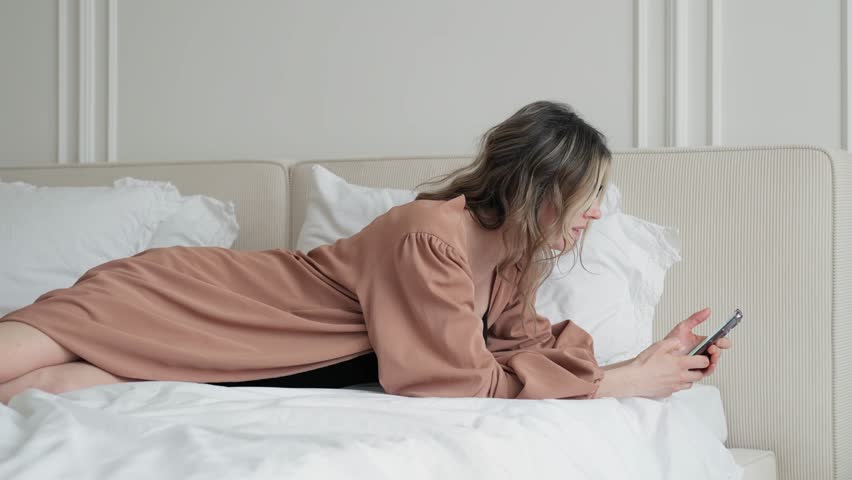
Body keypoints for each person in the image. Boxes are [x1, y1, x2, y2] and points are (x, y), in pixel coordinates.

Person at [0, 100, 730, 405]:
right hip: (195, 297)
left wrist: (641, 364)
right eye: (585, 198)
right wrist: (620, 390)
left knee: (41, 396)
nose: (595, 215)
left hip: (239, 350)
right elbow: (455, 383)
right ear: (537, 189)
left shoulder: (510, 263)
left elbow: (526, 354)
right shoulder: (428, 235)